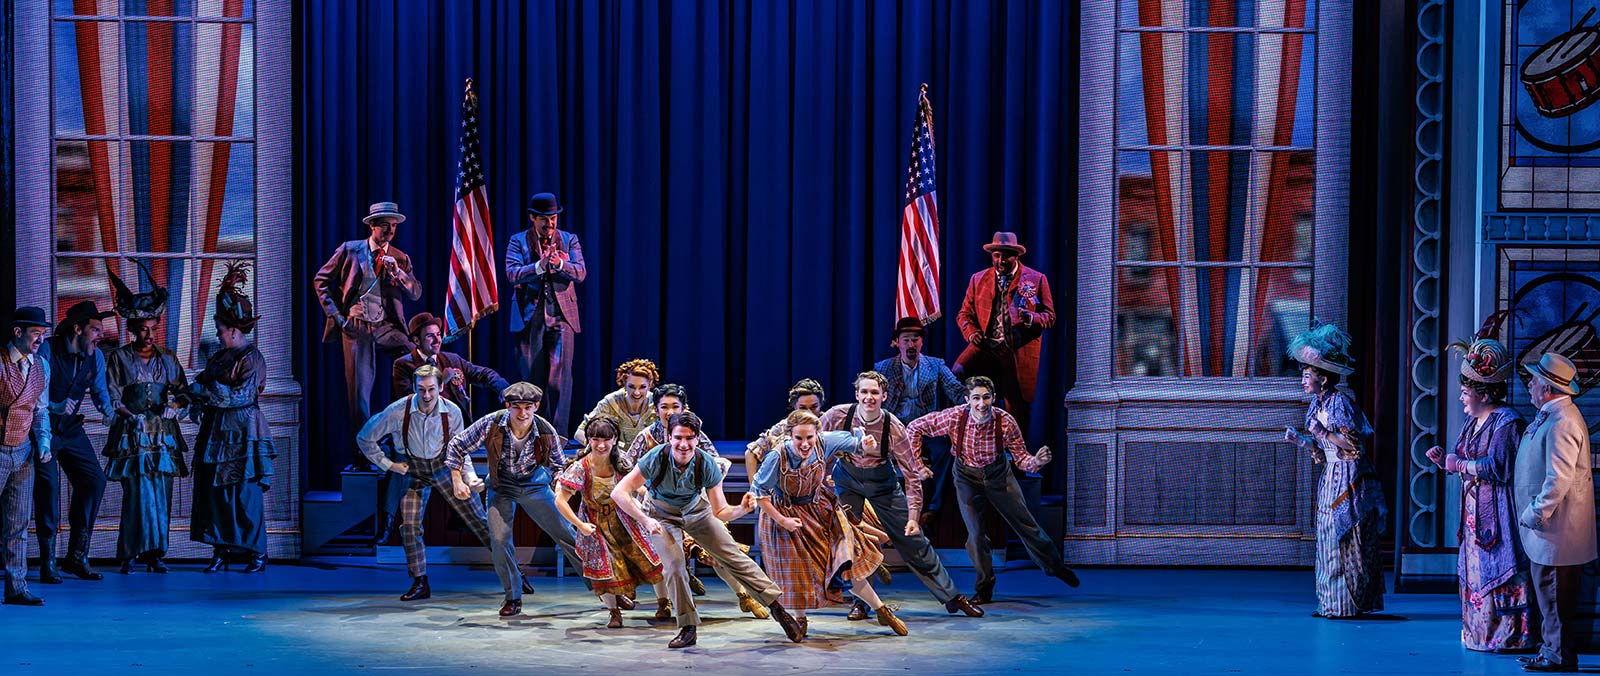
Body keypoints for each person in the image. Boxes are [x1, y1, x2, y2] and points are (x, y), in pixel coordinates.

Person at [610, 411, 803, 648]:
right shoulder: (656, 457)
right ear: (669, 437)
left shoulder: (707, 463)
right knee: (674, 566)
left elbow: (720, 511)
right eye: (678, 437)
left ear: (697, 438)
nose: (683, 444)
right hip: (661, 515)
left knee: (733, 556)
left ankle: (778, 609)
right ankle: (688, 627)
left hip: (697, 511)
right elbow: (619, 492)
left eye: (689, 438)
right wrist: (645, 520)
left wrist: (741, 509)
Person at [906, 376, 1079, 604]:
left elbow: (1021, 459)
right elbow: (914, 427)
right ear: (967, 400)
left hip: (998, 475)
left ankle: (1055, 566)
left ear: (993, 398)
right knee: (975, 535)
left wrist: (1037, 461)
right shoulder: (955, 416)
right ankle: (984, 587)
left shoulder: (1005, 422)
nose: (981, 404)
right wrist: (917, 465)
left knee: (1026, 524)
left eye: (986, 398)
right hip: (966, 477)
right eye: (976, 398)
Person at [752, 410, 907, 638]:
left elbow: (855, 442)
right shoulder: (778, 456)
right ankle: (800, 619)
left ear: (817, 434)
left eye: (809, 437)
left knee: (843, 564)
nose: (805, 444)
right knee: (797, 572)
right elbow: (760, 494)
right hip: (785, 514)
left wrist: (865, 443)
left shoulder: (824, 443)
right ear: (789, 436)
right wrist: (783, 520)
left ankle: (882, 610)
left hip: (818, 509)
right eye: (799, 438)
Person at [1424, 330, 1531, 652]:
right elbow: (1462, 456)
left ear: (1484, 394)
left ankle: (1507, 634)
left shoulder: (1507, 422)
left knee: (1499, 563)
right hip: (1474, 507)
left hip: (1498, 507)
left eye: (1465, 392)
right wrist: (1445, 461)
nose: (1461, 398)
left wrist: (1459, 465)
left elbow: (1499, 467)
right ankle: (1478, 632)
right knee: (1475, 567)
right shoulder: (1473, 423)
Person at [443, 382, 583, 617]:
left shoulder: (545, 430)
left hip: (535, 484)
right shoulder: (493, 423)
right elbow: (457, 445)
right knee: (499, 540)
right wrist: (458, 480)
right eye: (517, 407)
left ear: (536, 406)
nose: (522, 413)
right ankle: (513, 597)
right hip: (502, 486)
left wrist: (560, 489)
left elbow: (559, 466)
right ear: (508, 406)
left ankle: (605, 588)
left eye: (528, 407)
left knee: (568, 533)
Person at [358, 365, 496, 602]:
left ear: (441, 387)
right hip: (415, 471)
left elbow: (459, 450)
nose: (427, 395)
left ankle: (514, 571)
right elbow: (364, 437)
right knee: (410, 525)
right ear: (414, 388)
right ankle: (420, 581)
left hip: (445, 467)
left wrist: (469, 478)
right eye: (421, 389)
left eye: (432, 389)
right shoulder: (397, 411)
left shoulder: (451, 412)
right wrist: (389, 465)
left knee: (479, 520)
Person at [1283, 321, 1385, 619]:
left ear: (1323, 378)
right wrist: (1301, 440)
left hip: (1348, 479)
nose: (1303, 380)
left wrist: (1324, 433)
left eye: (1308, 375)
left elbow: (1353, 446)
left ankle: (1346, 604)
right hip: (1331, 476)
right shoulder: (1318, 405)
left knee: (1344, 537)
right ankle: (1329, 602)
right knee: (1326, 535)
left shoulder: (1340, 403)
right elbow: (1322, 449)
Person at [313, 201, 423, 472]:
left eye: (394, 226)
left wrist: (398, 273)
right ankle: (363, 455)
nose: (390, 231)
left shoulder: (399, 257)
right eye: (385, 225)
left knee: (417, 361)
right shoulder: (350, 250)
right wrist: (337, 317)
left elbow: (415, 292)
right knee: (359, 392)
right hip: (357, 325)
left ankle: (405, 437)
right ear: (372, 226)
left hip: (386, 326)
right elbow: (320, 281)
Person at [380, 312, 508, 542]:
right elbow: (408, 401)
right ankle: (388, 524)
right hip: (418, 437)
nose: (437, 340)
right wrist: (442, 380)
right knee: (402, 468)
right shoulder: (404, 364)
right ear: (416, 340)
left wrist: (504, 389)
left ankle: (470, 522)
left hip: (450, 436)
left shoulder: (451, 360)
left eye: (438, 335)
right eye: (430, 336)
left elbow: (483, 374)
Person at [189, 262, 278, 573]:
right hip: (217, 432)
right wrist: (188, 392)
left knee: (244, 494)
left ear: (234, 330)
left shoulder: (252, 358)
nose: (218, 334)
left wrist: (206, 389)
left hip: (243, 432)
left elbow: (240, 395)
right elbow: (200, 382)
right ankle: (221, 548)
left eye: (221, 330)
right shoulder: (219, 357)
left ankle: (256, 552)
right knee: (216, 493)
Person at [1512, 353, 1596, 672]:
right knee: (1549, 594)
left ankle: (1558, 655)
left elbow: (1557, 479)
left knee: (1555, 594)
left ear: (1547, 388)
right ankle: (1551, 649)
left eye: (1534, 381)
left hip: (1555, 529)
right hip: (1549, 530)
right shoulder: (1553, 415)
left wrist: (1535, 514)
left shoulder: (1563, 422)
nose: (1530, 385)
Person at [104, 267, 191, 574]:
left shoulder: (168, 358)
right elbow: (112, 396)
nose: (150, 335)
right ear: (133, 329)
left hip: (163, 435)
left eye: (154, 329)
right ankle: (130, 552)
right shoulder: (119, 358)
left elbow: (184, 392)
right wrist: (130, 416)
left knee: (162, 493)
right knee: (136, 495)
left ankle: (156, 554)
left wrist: (175, 405)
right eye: (143, 330)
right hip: (133, 433)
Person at [33, 300, 120, 583]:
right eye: (95, 330)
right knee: (49, 490)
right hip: (43, 429)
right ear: (78, 329)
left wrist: (109, 412)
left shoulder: (95, 356)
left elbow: (100, 392)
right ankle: (48, 561)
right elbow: (34, 393)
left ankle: (77, 556)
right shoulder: (48, 350)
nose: (100, 335)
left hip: (70, 430)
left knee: (94, 480)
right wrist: (55, 406)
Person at [554, 416, 663, 628]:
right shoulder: (581, 467)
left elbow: (636, 485)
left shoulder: (620, 461)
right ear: (588, 440)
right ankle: (614, 612)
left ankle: (663, 602)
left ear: (614, 439)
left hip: (623, 519)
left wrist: (643, 497)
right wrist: (580, 525)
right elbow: (560, 501)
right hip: (595, 522)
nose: (601, 445)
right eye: (595, 439)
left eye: (606, 439)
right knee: (603, 569)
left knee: (651, 559)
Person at [953, 232, 1054, 437]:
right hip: (985, 344)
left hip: (1015, 349)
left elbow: (1049, 316)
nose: (1001, 261)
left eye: (1006, 256)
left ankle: (1015, 450)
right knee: (956, 373)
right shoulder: (978, 279)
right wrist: (971, 333)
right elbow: (964, 314)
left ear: (1016, 256)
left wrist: (1032, 318)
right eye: (997, 255)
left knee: (1015, 405)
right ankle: (963, 434)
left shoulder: (1036, 279)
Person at [506, 192, 585, 435]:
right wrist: (539, 266)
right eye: (544, 219)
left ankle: (557, 437)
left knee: (559, 379)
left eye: (553, 218)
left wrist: (560, 264)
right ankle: (534, 434)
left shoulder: (569, 240)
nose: (549, 223)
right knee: (532, 379)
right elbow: (512, 274)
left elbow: (580, 272)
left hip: (562, 316)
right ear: (533, 218)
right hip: (530, 317)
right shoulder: (518, 241)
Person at [875, 317, 966, 527]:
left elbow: (955, 389)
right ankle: (889, 512)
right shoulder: (883, 368)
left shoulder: (935, 365)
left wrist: (973, 402)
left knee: (946, 451)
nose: (911, 344)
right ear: (897, 343)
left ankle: (933, 508)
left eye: (915, 340)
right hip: (896, 430)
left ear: (921, 342)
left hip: (926, 429)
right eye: (906, 340)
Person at [1, 307, 53, 606]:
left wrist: (44, 441)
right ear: (18, 332)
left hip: (22, 452)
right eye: (36, 333)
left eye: (43, 334)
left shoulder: (41, 366)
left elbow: (40, 410)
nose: (40, 340)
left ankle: (16, 587)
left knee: (18, 523)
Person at [746, 378, 826, 483]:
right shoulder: (784, 426)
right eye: (803, 408)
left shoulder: (829, 422)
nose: (809, 413)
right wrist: (754, 489)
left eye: (814, 407)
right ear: (794, 407)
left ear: (820, 405)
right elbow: (750, 453)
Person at [574, 359, 660, 447]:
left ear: (650, 384)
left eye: (642, 387)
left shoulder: (657, 403)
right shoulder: (611, 402)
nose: (637, 392)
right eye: (631, 387)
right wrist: (602, 447)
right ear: (624, 384)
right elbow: (579, 433)